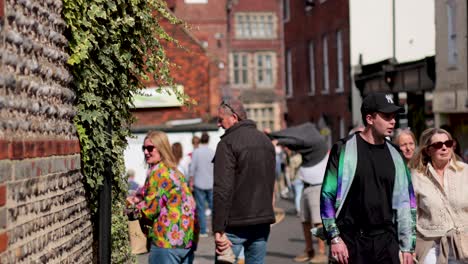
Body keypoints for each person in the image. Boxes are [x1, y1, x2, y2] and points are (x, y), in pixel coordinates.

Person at [320, 92, 416, 264]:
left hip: (386, 242)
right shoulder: (343, 150)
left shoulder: (396, 154)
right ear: (370, 119)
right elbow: (327, 195)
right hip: (351, 242)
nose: (393, 121)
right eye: (386, 116)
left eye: (394, 116)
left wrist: (407, 246)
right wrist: (335, 238)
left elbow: (406, 202)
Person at [213, 98, 276, 264]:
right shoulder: (266, 141)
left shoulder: (227, 143)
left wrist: (218, 228)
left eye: (220, 120)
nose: (218, 124)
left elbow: (222, 188)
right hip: (262, 220)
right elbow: (272, 182)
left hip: (235, 223)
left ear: (234, 118)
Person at [128, 131, 197, 264]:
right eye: (144, 148)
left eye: (150, 148)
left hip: (166, 239)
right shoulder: (174, 171)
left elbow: (150, 209)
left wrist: (132, 208)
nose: (146, 152)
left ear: (161, 148)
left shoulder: (158, 173)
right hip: (186, 239)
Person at [408, 128, 468, 263]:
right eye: (438, 145)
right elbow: (411, 215)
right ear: (428, 150)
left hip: (465, 244)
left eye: (448, 143)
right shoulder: (416, 177)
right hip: (431, 246)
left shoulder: (465, 171)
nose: (444, 148)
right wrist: (408, 247)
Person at [189, 132, 215, 238]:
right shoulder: (212, 152)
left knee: (201, 208)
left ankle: (203, 231)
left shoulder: (196, 152)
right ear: (208, 140)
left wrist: (191, 181)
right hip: (211, 183)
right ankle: (215, 229)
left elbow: (192, 169)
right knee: (214, 208)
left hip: (199, 183)